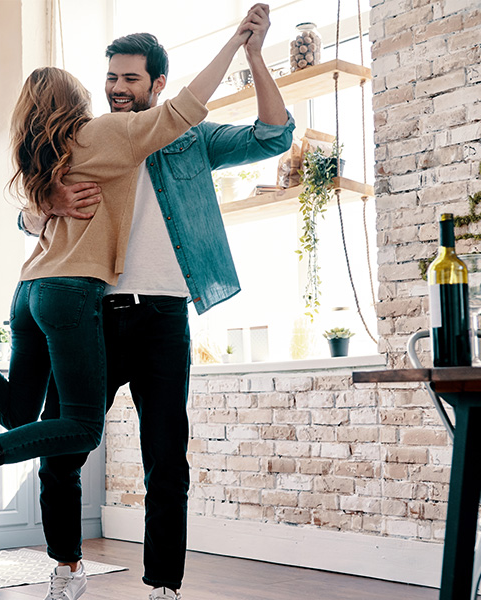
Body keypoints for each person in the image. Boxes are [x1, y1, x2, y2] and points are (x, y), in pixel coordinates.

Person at [19, 5, 294, 600]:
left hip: (165, 315)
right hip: (91, 312)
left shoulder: (191, 141)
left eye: (130, 79)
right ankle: (66, 568)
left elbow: (274, 135)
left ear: (158, 83)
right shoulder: (87, 137)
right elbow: (28, 208)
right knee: (63, 447)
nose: (116, 90)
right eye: (111, 78)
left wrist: (252, 56)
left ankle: (163, 585)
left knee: (165, 459)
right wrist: (47, 205)